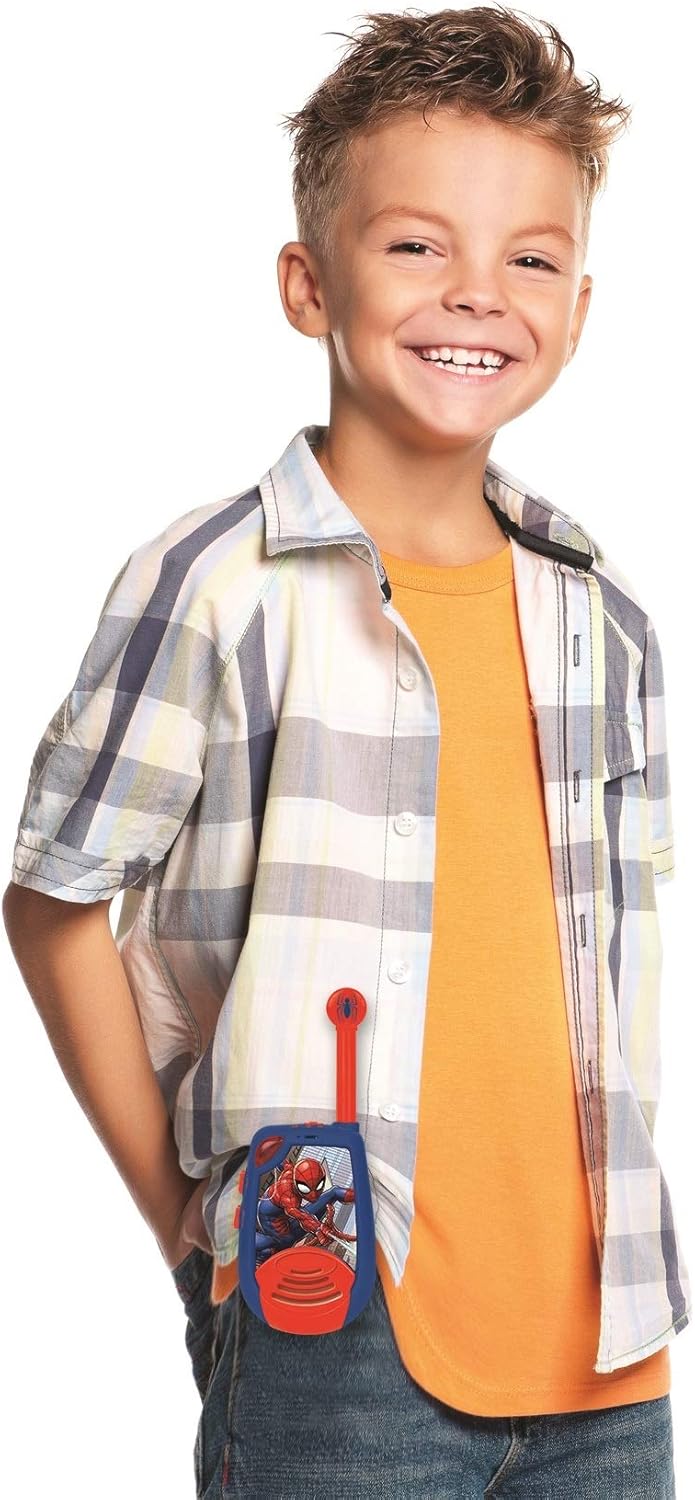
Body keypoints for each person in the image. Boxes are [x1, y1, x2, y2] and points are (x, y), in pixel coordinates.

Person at [3, 6, 689, 1496]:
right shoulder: (214, 584)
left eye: (530, 259)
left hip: (610, 1338)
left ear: (580, 308)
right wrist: (183, 1220)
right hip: (333, 1309)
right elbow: (54, 900)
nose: (477, 292)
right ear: (308, 284)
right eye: (417, 245)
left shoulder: (607, 617)